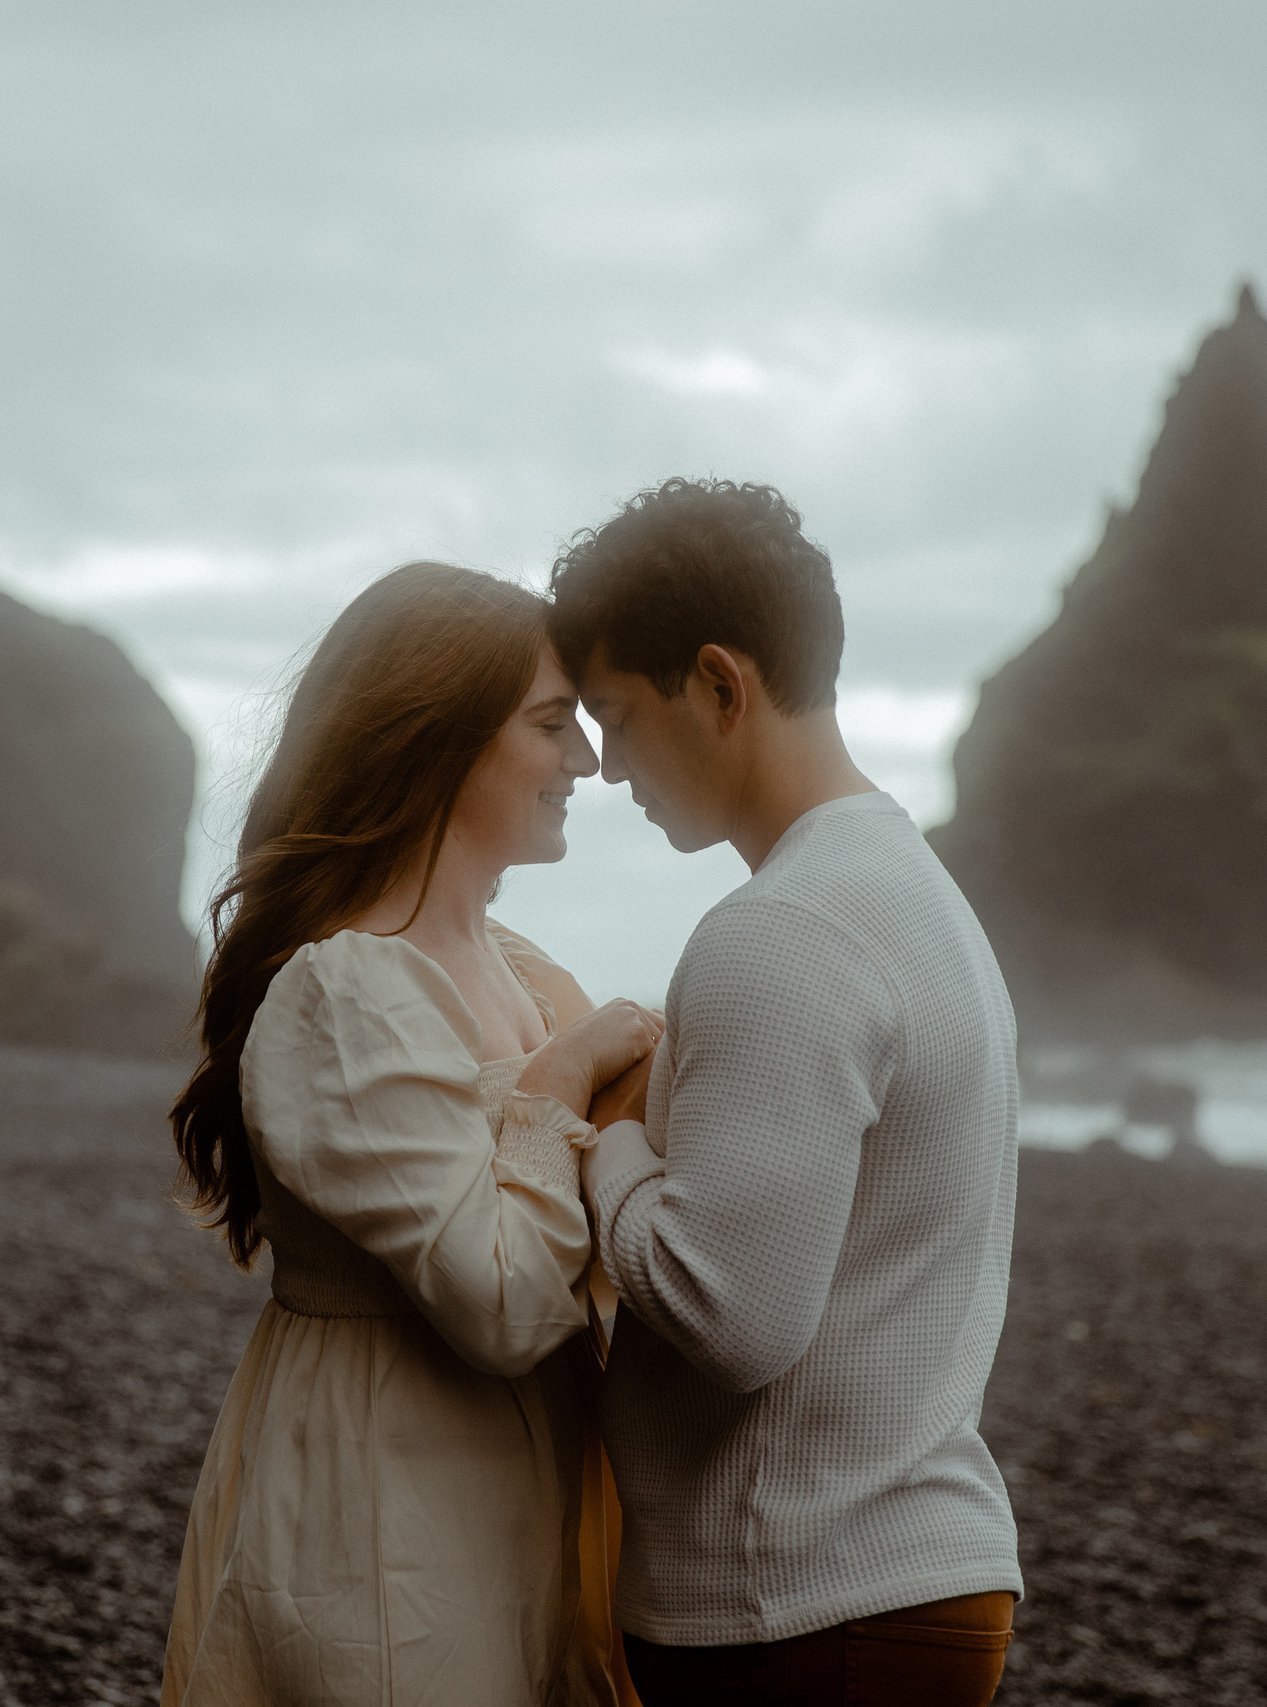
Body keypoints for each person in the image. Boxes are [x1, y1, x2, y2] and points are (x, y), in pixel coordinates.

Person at [549, 480, 1024, 1706]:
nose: (603, 769)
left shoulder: (784, 931)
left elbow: (731, 1319)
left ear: (718, 684)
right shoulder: (911, 894)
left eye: (614, 713)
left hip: (801, 1608)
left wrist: (601, 1143)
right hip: (887, 1583)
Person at [162, 561, 657, 1707]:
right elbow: (500, 1303)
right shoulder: (344, 992)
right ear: (440, 743)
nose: (585, 759)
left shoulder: (526, 972)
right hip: (385, 1487)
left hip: (513, 1472)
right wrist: (567, 1074)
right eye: (549, 725)